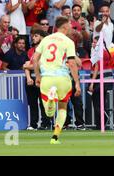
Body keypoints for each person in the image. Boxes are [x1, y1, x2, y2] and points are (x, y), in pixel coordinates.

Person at [32, 16, 81, 144]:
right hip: (63, 78)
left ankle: (50, 101)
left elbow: (34, 59)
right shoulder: (68, 42)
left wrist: (37, 76)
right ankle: (55, 137)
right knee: (63, 108)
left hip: (47, 77)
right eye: (69, 25)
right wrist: (77, 83)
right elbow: (72, 63)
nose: (71, 27)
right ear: (64, 27)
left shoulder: (46, 39)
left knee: (49, 114)